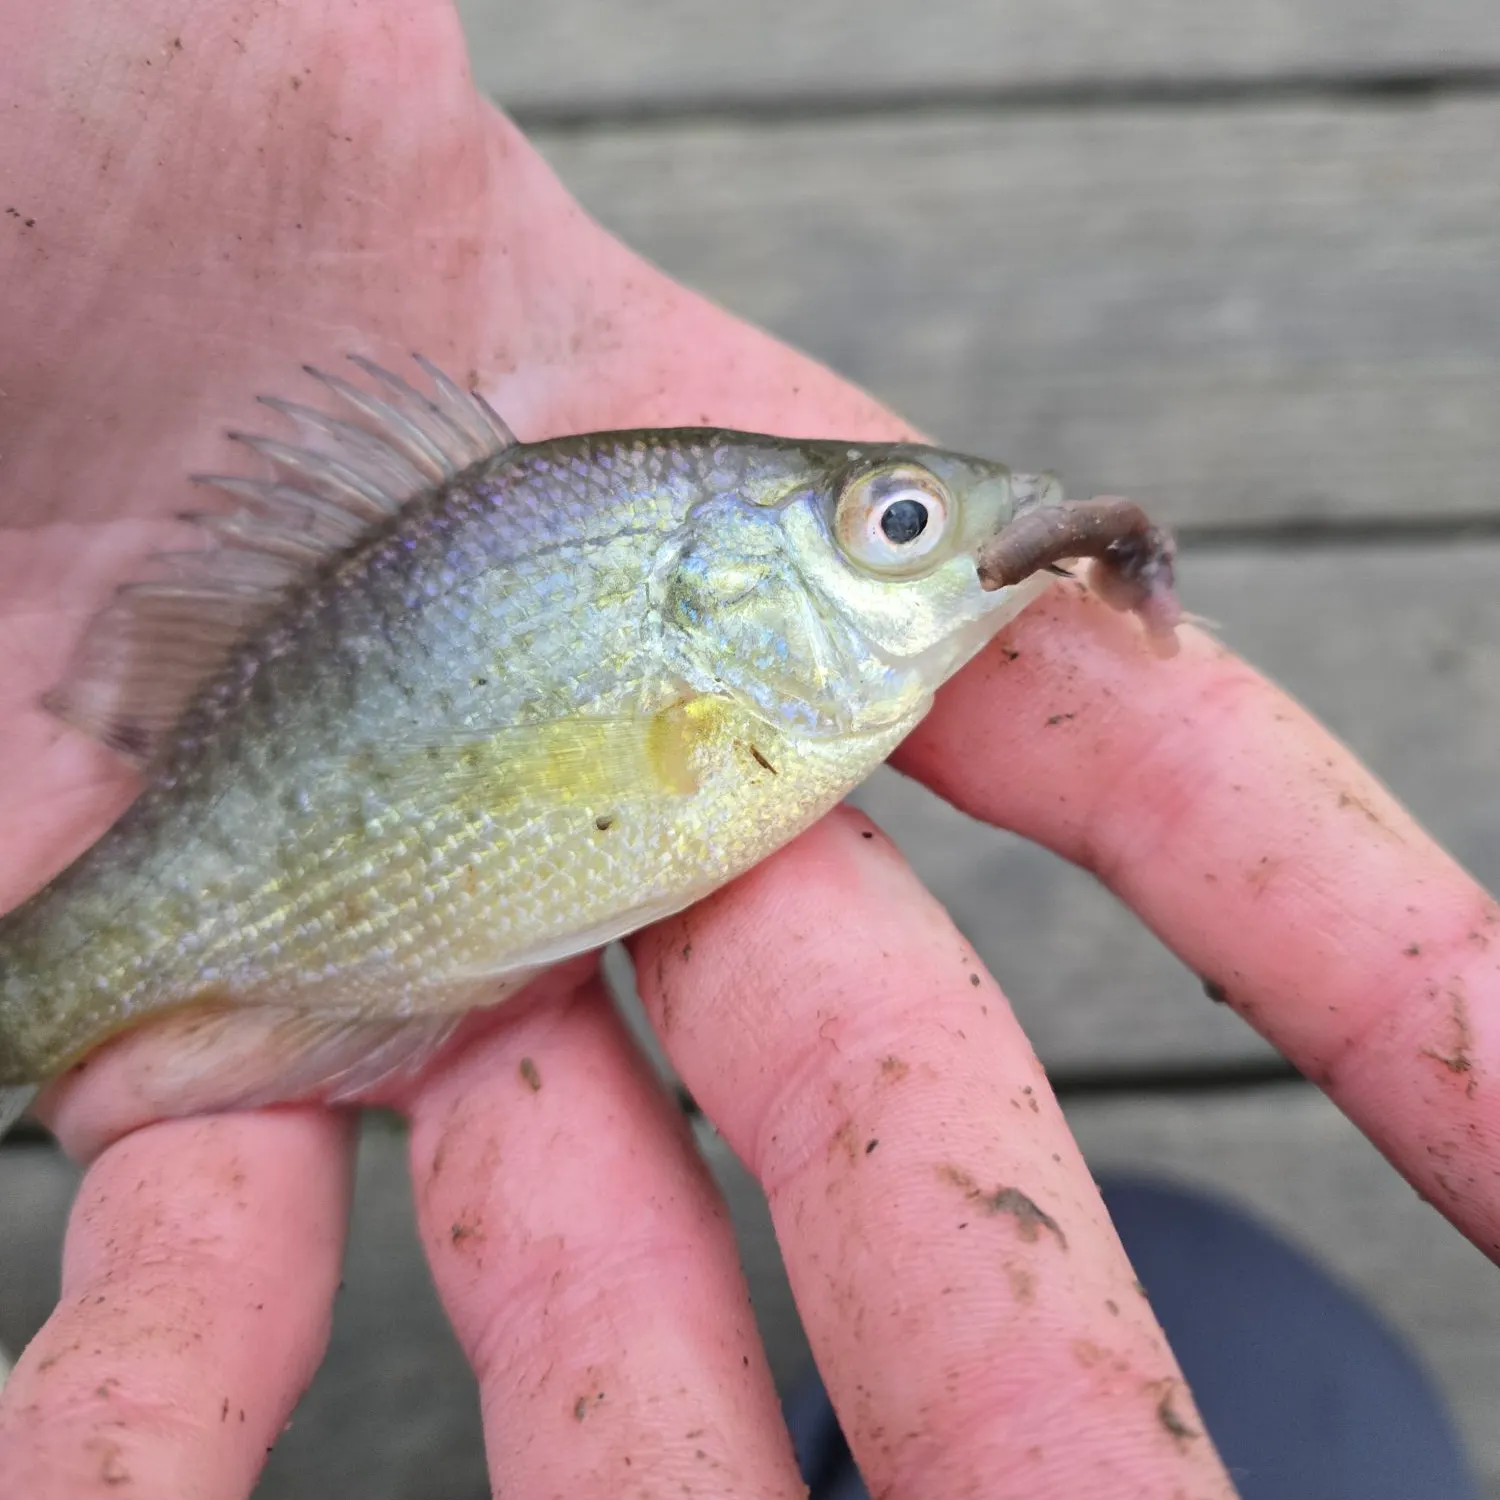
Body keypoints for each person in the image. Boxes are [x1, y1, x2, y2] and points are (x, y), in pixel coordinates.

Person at [0, 4, 1493, 1497]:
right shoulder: (705, 681)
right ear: (721, 596)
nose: (948, 539)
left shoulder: (760, 684)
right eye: (895, 524)